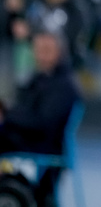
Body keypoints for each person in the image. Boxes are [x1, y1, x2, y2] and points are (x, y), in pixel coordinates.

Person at [0, 29, 82, 206]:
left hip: (41, 143)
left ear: (59, 52)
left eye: (47, 50)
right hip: (25, 137)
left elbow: (43, 123)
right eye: (39, 49)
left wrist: (7, 115)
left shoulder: (64, 85)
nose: (41, 55)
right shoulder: (39, 78)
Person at [11, 0, 96, 76]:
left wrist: (32, 34)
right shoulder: (35, 3)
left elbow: (77, 46)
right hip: (33, 76)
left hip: (67, 77)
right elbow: (18, 30)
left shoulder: (77, 9)